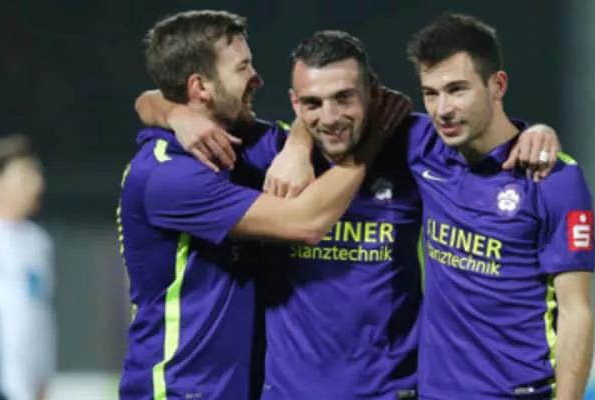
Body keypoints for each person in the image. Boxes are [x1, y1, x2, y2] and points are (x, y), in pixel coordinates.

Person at [135, 28, 563, 400]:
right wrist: (175, 113)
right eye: (312, 103)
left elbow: (484, 139)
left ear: (372, 94)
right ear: (294, 103)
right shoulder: (268, 154)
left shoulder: (409, 145)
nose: (331, 117)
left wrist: (534, 135)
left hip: (390, 390)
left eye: (344, 98)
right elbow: (153, 102)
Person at [118, 10, 406, 400]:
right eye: (242, 68)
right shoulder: (167, 176)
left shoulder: (240, 145)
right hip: (179, 390)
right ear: (200, 87)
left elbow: (314, 117)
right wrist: (368, 148)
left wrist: (298, 145)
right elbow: (306, 223)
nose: (257, 77)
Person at [403, 13, 595, 399]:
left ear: (498, 84)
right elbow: (339, 110)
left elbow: (576, 311)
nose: (442, 109)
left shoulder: (554, 179)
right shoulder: (421, 147)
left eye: (457, 89)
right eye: (431, 93)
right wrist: (297, 146)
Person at [0, 134, 55, 400]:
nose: (36, 185)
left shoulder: (39, 243)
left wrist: (43, 374)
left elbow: (42, 313)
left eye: (36, 175)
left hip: (28, 385)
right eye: (24, 176)